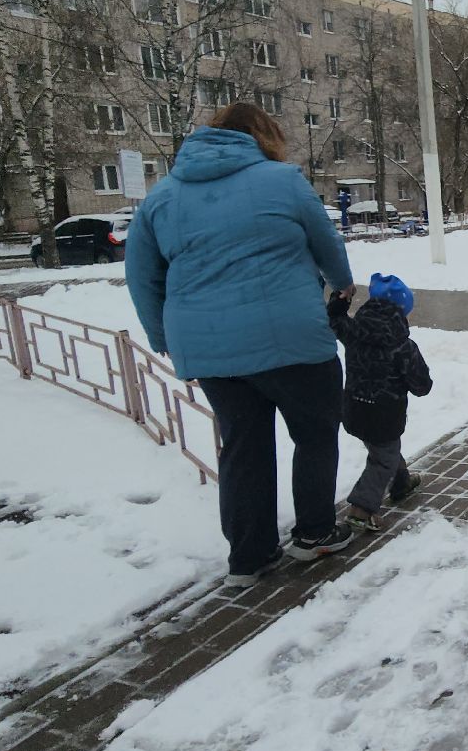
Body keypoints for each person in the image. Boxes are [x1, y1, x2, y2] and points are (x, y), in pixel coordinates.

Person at [126, 102, 358, 588]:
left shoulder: (162, 198)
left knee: (243, 446)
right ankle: (315, 533)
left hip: (211, 350)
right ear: (263, 136)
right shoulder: (283, 180)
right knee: (314, 435)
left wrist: (162, 337)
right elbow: (326, 244)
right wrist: (343, 285)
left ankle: (250, 557)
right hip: (294, 339)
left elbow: (143, 277)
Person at [329, 273, 432, 532]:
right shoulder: (402, 346)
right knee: (383, 457)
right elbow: (422, 385)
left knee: (382, 450)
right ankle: (361, 510)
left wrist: (338, 301)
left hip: (353, 409)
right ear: (401, 311)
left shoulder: (354, 331)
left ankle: (401, 483)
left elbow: (334, 320)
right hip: (384, 414)